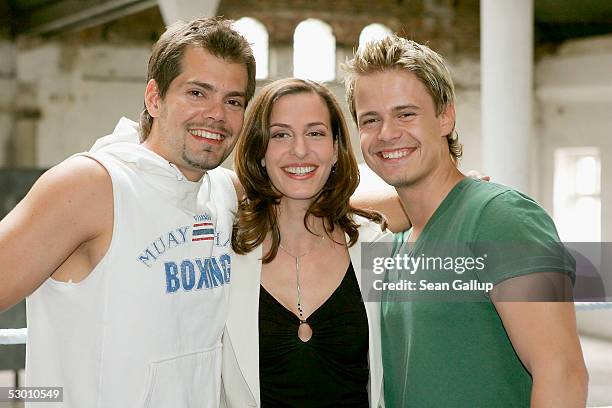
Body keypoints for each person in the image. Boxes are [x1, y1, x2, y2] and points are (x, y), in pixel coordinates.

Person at [0, 17, 256, 408]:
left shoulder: (222, 191)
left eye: (233, 100)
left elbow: (331, 201)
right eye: (197, 93)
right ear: (154, 98)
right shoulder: (91, 185)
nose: (217, 114)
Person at [344, 36, 589, 407]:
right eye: (370, 120)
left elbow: (562, 374)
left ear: (445, 116)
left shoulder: (501, 218)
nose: (387, 133)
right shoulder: (396, 238)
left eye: (405, 113)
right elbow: (312, 206)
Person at [220, 78, 390, 407]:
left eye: (315, 133)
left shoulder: (376, 246)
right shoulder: (223, 250)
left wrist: (456, 196)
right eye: (280, 134)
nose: (300, 149)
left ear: (336, 149)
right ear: (260, 153)